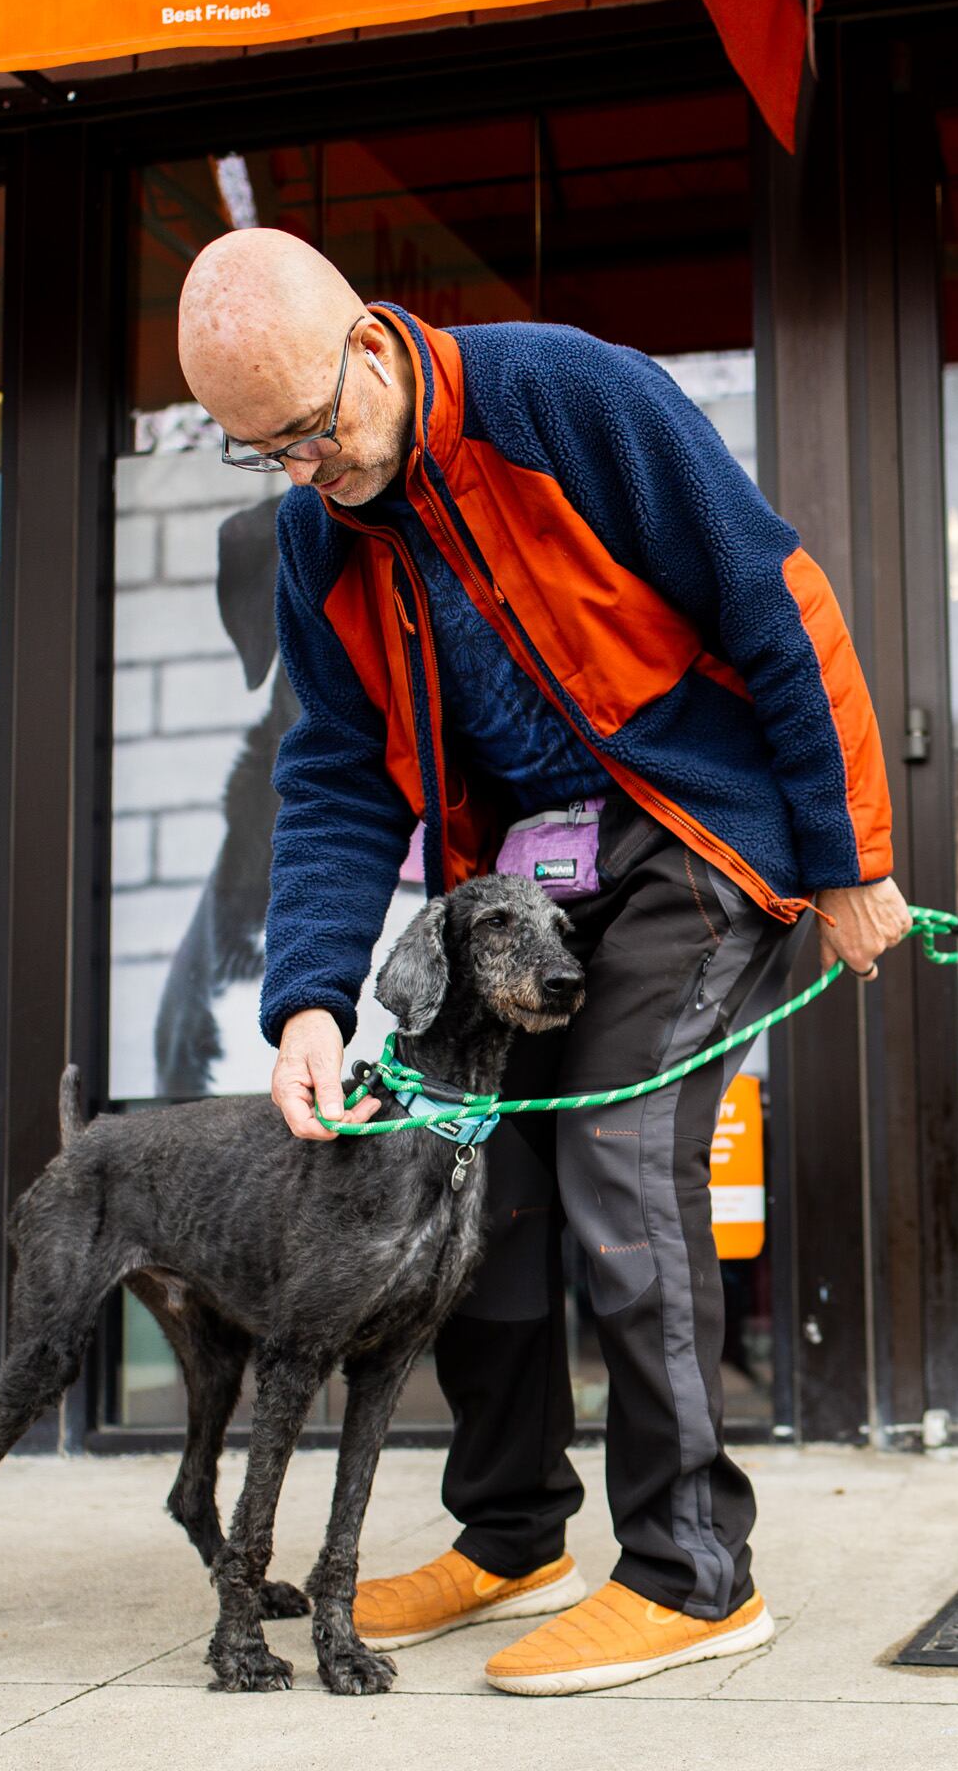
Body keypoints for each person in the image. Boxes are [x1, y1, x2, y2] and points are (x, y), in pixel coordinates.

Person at [176, 229, 907, 1696]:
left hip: (687, 835)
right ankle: (513, 1536)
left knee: (623, 1168)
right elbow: (332, 772)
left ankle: (696, 1573)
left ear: (370, 350)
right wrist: (309, 996)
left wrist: (854, 860)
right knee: (471, 1189)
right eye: (268, 456)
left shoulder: (568, 398)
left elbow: (780, 604)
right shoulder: (324, 535)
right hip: (516, 885)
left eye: (316, 431)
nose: (309, 473)